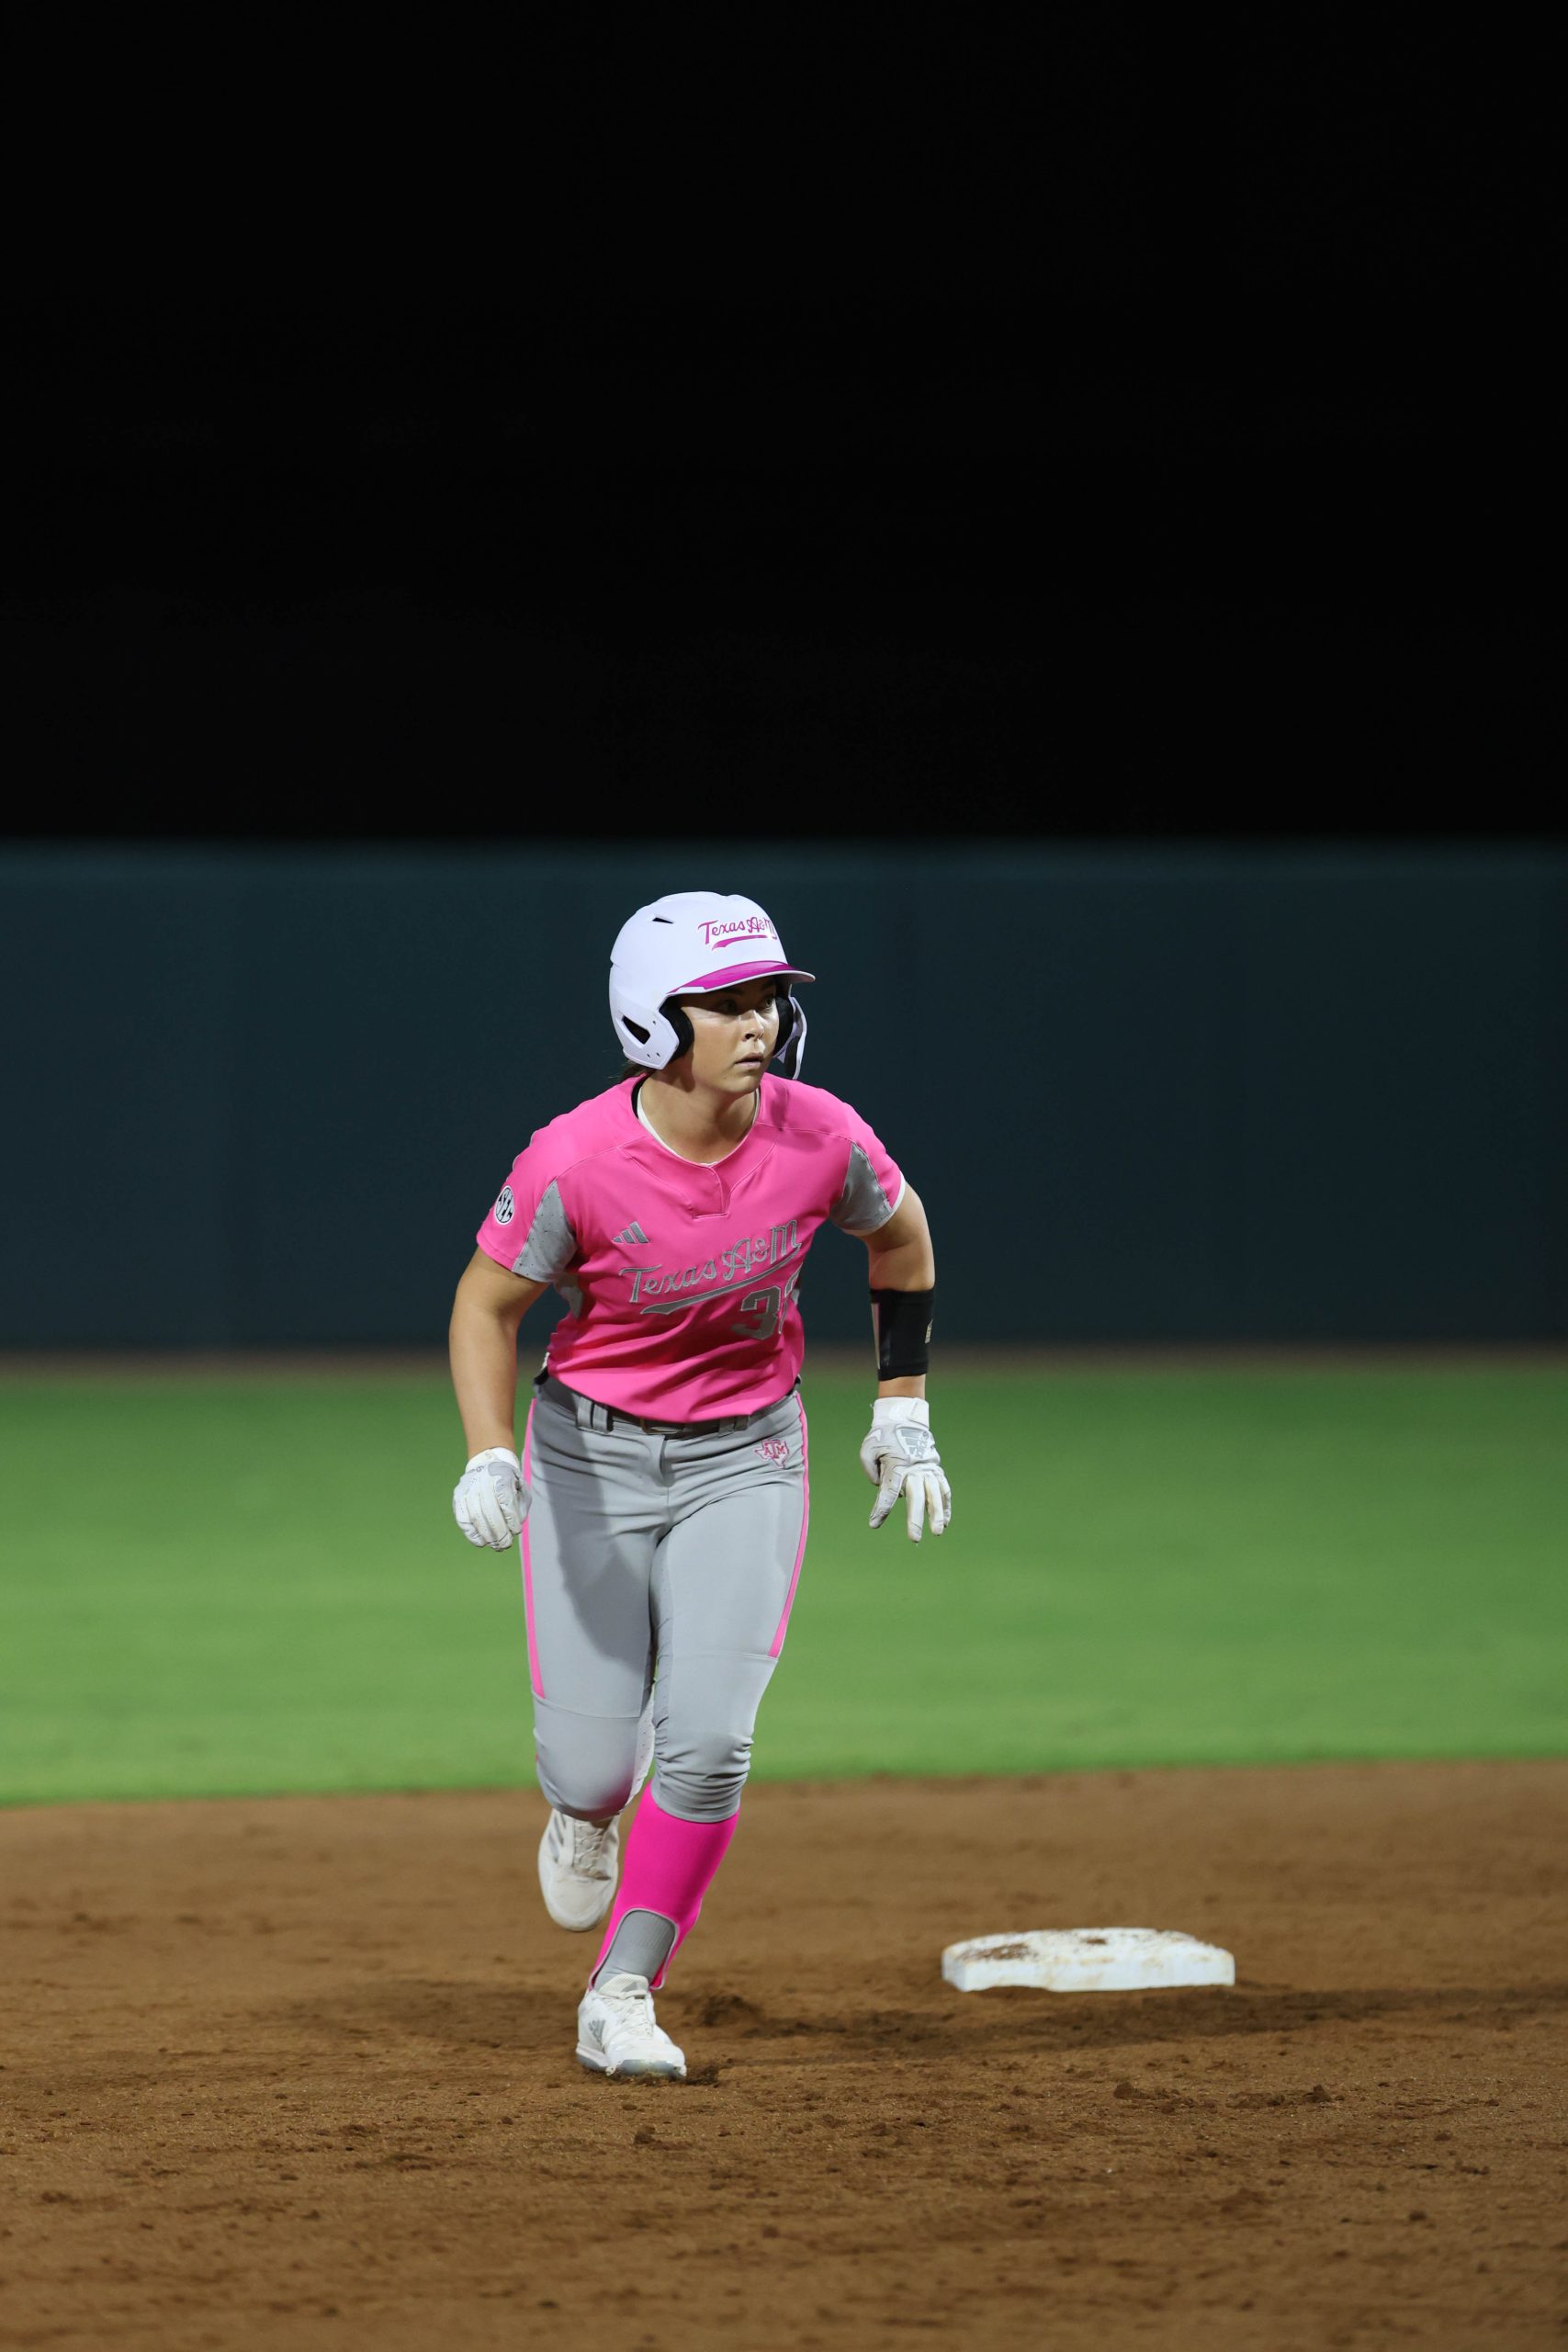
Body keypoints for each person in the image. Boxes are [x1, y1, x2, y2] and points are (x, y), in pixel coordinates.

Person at [446, 889, 951, 2080]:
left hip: (749, 1457)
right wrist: (484, 1445)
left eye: (769, 997)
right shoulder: (576, 1160)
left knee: (712, 1744)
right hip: (588, 1457)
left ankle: (622, 1990)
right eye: (726, 1001)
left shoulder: (820, 1136)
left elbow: (903, 1237)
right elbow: (486, 1303)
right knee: (591, 1765)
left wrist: (904, 1405)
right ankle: (582, 1815)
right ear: (648, 1018)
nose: (760, 1021)